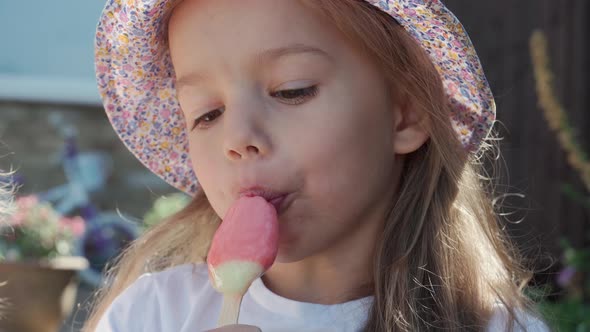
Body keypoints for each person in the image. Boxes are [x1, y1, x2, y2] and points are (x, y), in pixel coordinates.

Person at [84, 0, 551, 331]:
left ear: (406, 111)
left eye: (292, 90)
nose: (238, 139)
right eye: (207, 113)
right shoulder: (152, 316)